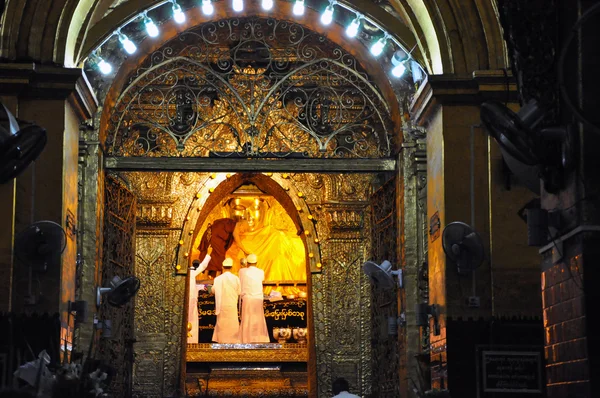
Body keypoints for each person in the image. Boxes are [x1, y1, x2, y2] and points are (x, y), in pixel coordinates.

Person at [238, 253, 270, 343]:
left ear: (247, 262)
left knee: (247, 318)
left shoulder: (242, 271)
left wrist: (244, 265)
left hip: (248, 298)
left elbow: (242, 272)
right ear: (257, 263)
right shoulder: (261, 271)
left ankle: (246, 339)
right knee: (258, 318)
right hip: (257, 298)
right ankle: (259, 339)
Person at [211, 257, 241, 343]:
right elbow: (239, 292)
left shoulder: (217, 279)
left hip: (222, 305)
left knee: (222, 324)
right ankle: (233, 342)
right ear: (231, 268)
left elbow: (213, 290)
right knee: (232, 324)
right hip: (232, 305)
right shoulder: (236, 278)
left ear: (222, 267)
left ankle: (222, 342)